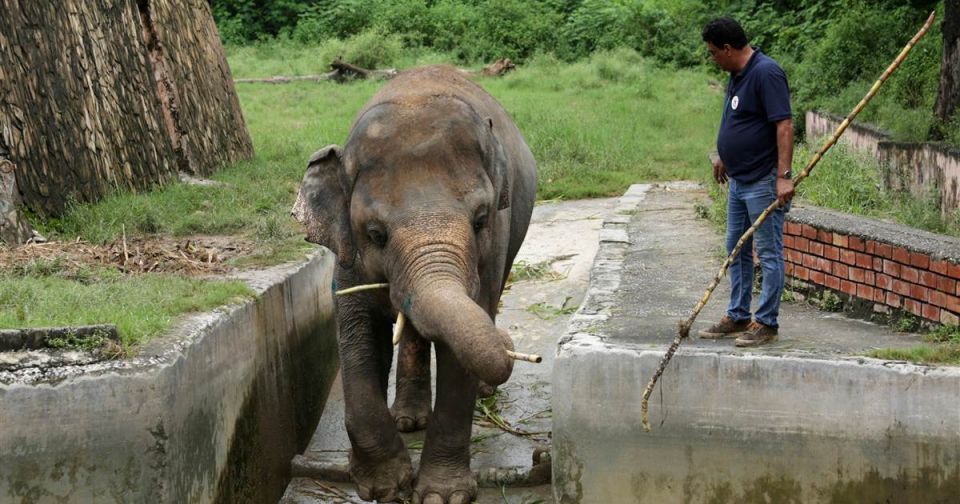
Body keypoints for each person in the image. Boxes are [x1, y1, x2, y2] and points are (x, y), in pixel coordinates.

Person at [698, 17, 795, 347]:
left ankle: (766, 322)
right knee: (735, 249)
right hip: (738, 180)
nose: (712, 58)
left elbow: (783, 125)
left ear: (728, 48)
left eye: (713, 52)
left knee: (768, 253)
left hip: (763, 180)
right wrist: (725, 154)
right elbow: (735, 118)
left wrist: (783, 178)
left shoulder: (766, 73)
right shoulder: (736, 74)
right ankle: (738, 315)